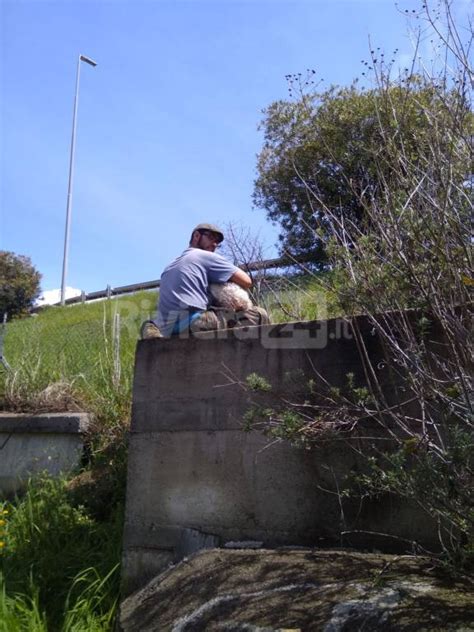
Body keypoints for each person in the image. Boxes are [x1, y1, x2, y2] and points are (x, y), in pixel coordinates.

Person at [141, 223, 270, 338]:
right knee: (259, 314)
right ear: (197, 236)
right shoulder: (205, 256)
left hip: (166, 329)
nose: (214, 244)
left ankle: (151, 330)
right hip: (195, 323)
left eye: (217, 242)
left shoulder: (169, 266)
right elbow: (246, 281)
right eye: (211, 238)